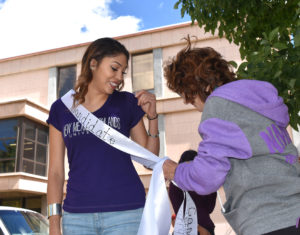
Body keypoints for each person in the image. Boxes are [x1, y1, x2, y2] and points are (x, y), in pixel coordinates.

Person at [162, 36, 300, 235]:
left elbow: (207, 176)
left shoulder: (219, 105)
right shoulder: (257, 100)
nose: (185, 100)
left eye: (185, 91)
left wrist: (175, 171)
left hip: (266, 220)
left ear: (200, 83)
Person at [47, 37, 159, 235]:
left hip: (127, 213)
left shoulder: (126, 103)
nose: (119, 77)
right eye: (114, 68)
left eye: (123, 71)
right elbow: (56, 171)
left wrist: (153, 118)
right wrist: (54, 223)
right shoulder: (61, 109)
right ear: (93, 63)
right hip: (76, 216)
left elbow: (149, 160)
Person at [168, 150, 216, 235]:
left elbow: (179, 211)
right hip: (203, 227)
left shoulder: (175, 185)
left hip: (187, 228)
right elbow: (209, 208)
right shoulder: (206, 182)